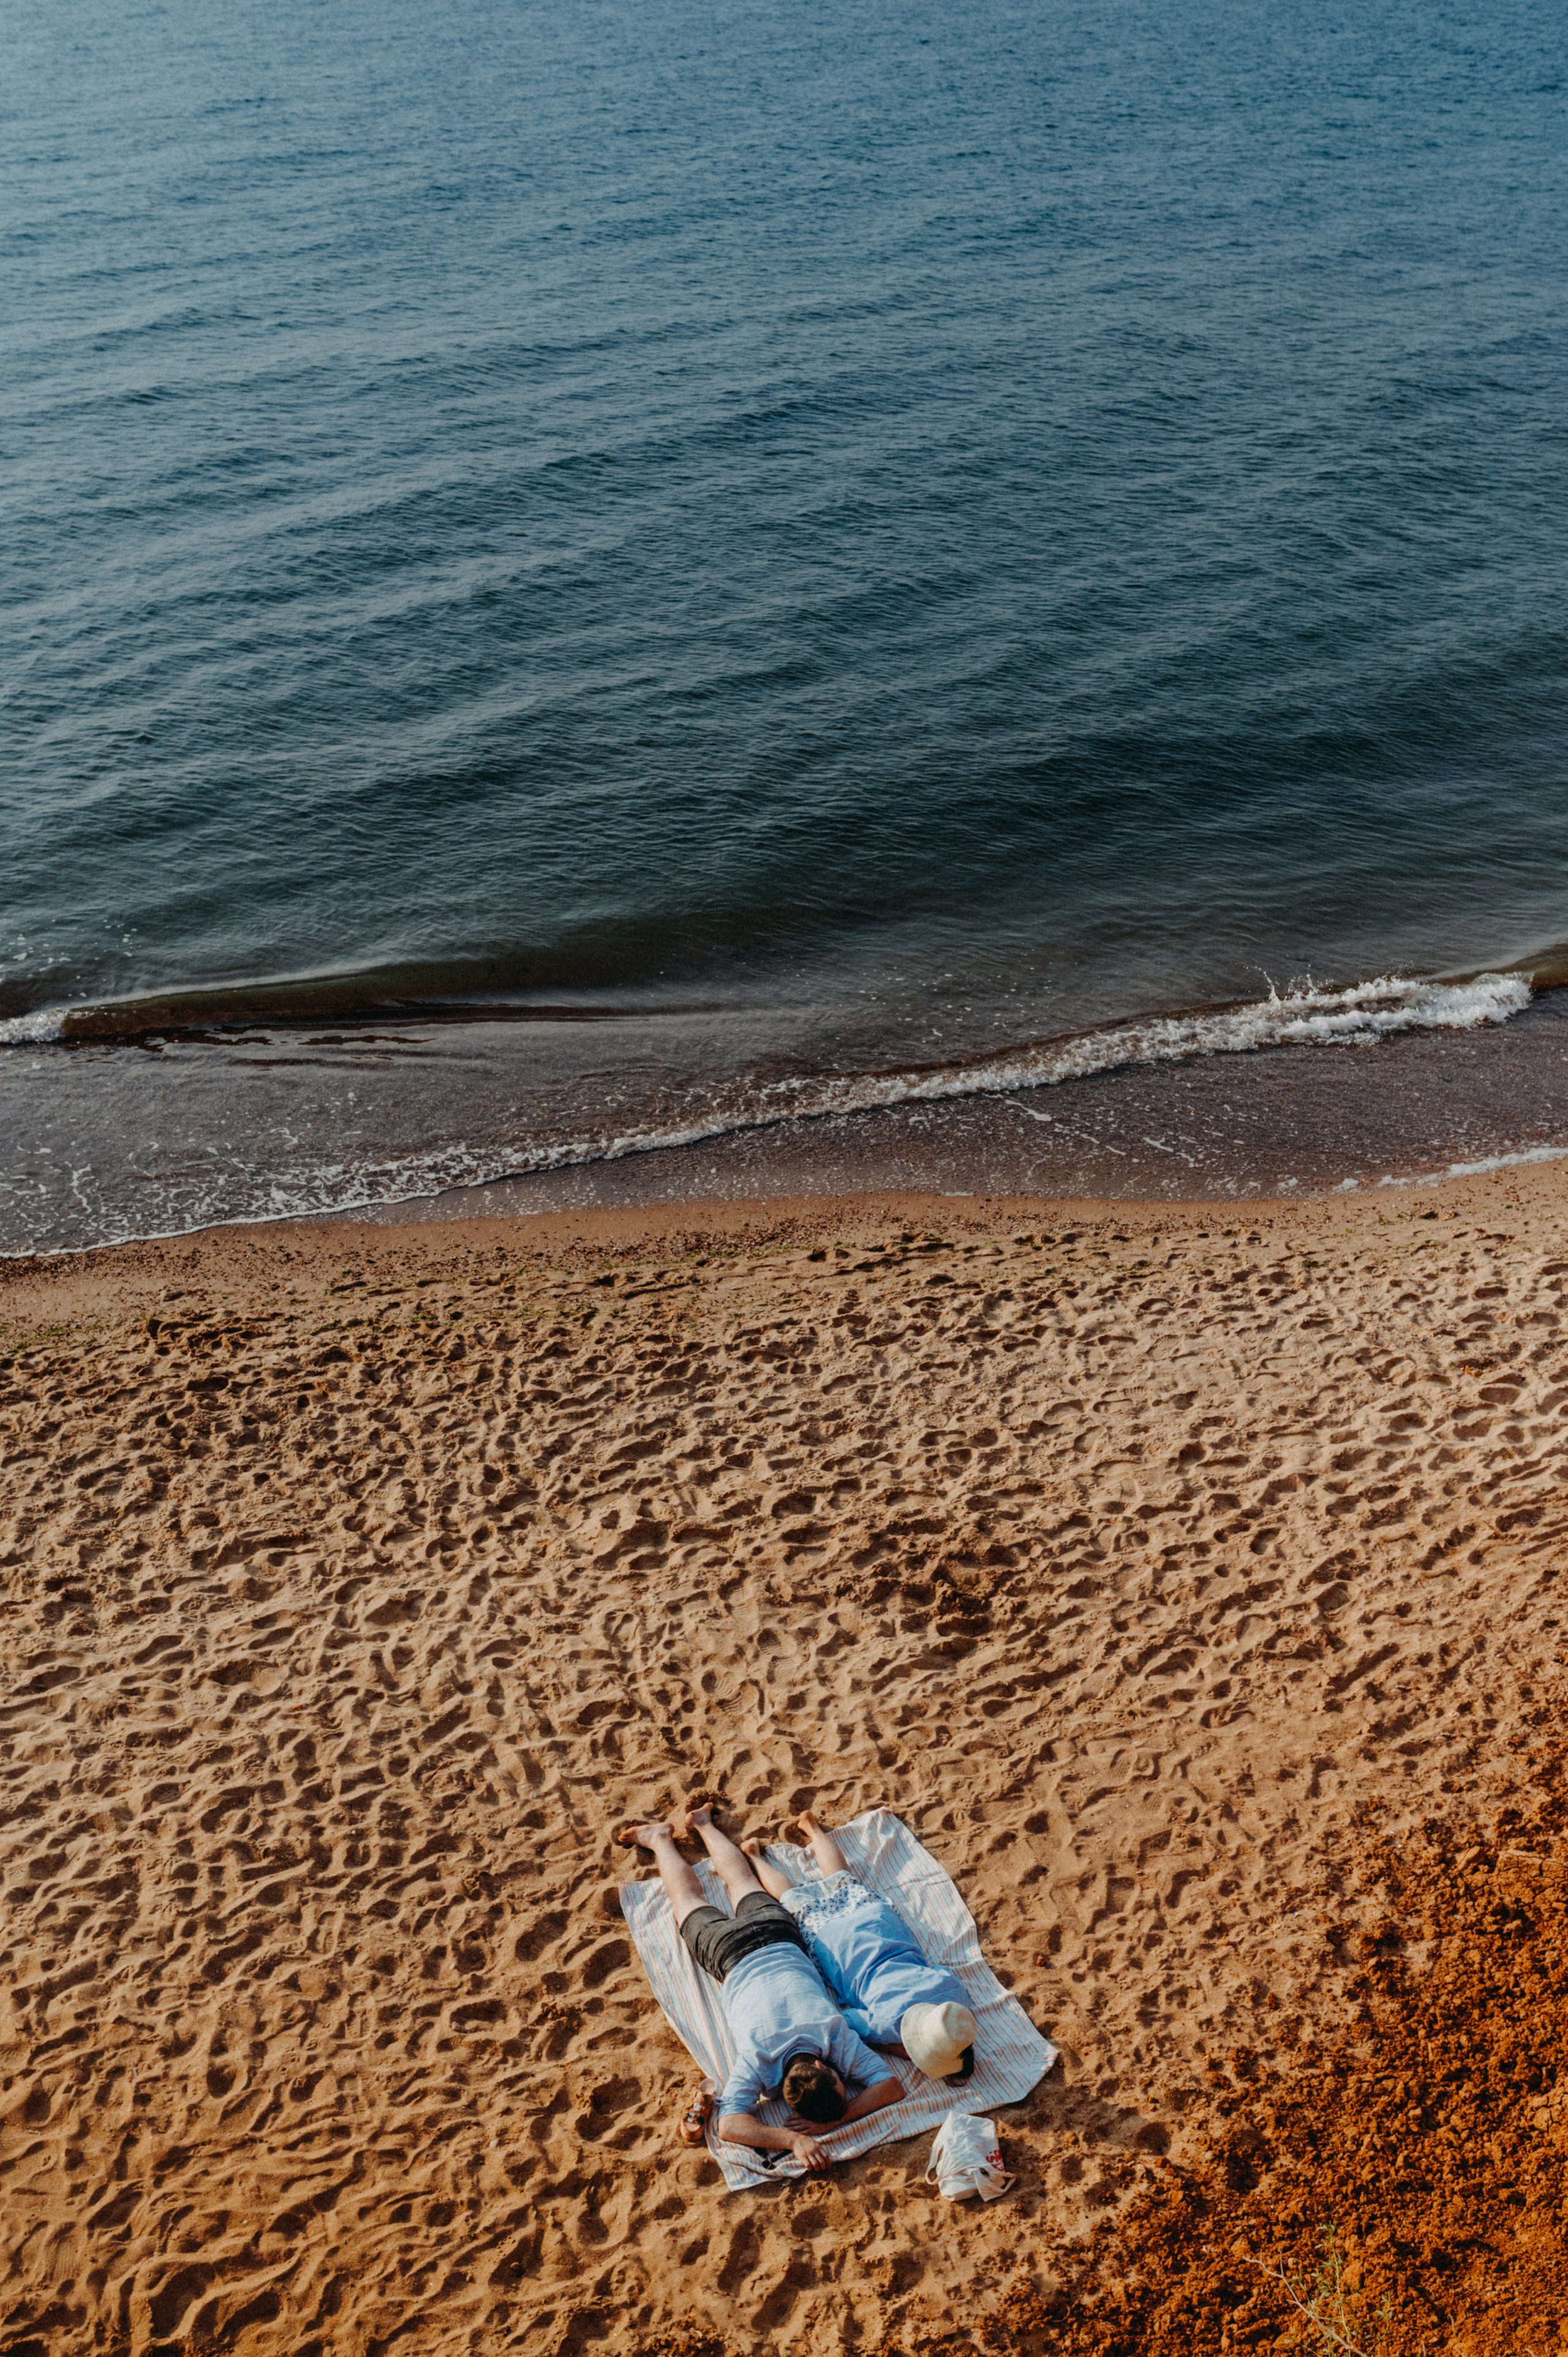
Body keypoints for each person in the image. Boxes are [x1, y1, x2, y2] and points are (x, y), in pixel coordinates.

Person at [617, 1804, 905, 2170]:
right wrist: (811, 2130)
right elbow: (731, 2124)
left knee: (743, 1884)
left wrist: (813, 2129)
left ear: (819, 2066)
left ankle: (703, 1825)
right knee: (689, 1900)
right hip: (729, 1955)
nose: (846, 2082)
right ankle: (662, 1840)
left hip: (778, 1935)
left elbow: (890, 2085)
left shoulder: (832, 2035)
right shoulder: (758, 2059)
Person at [742, 1811, 978, 2082]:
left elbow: (938, 1970)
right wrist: (902, 2049)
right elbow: (848, 2021)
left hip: (878, 1924)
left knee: (843, 1879)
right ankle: (754, 1857)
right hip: (836, 1943)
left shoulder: (957, 1999)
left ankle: (813, 1828)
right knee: (793, 1898)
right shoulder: (888, 2027)